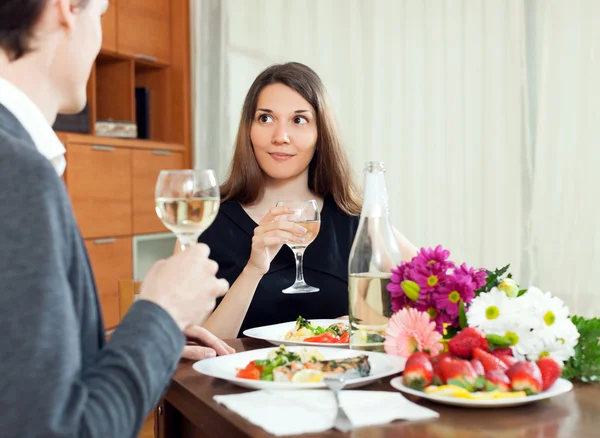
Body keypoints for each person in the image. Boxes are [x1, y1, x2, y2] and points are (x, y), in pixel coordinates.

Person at [0, 1, 232, 436]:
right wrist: (161, 314)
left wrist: (143, 340)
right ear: (68, 8)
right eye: (102, 13)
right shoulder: (16, 171)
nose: (98, 37)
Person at [194, 62, 418, 339]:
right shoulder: (206, 216)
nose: (281, 137)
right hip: (241, 380)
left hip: (336, 380)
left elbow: (440, 292)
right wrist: (253, 270)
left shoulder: (354, 220)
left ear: (320, 133)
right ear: (248, 128)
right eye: (265, 118)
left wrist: (374, 321)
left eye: (299, 120)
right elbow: (198, 348)